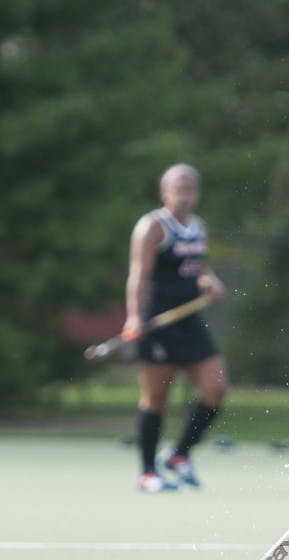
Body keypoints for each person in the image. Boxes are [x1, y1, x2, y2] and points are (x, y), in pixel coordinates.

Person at [124, 163, 229, 493]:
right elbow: (138, 274)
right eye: (178, 189)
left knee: (216, 388)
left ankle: (180, 455)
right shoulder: (152, 226)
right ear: (164, 192)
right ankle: (146, 472)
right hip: (157, 322)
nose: (185, 196)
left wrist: (209, 282)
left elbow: (196, 266)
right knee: (156, 398)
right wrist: (133, 317)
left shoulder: (197, 227)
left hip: (189, 322)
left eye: (190, 190)